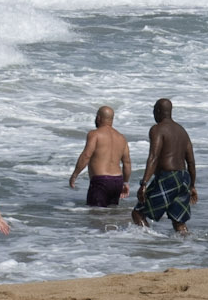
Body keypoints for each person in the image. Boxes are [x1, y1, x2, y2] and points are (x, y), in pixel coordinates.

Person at [130, 98, 197, 234]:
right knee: (178, 220)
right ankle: (187, 246)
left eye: (154, 110)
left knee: (138, 213)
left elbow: (153, 157)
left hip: (168, 176)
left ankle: (147, 241)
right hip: (184, 177)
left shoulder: (157, 129)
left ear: (159, 111)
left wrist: (143, 184)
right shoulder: (182, 131)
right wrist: (192, 186)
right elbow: (191, 162)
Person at [68, 105, 132, 208]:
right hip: (117, 181)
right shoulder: (121, 137)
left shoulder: (95, 134)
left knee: (96, 216)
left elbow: (86, 155)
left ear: (98, 118)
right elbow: (127, 163)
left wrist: (74, 175)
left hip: (101, 181)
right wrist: (125, 182)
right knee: (111, 216)